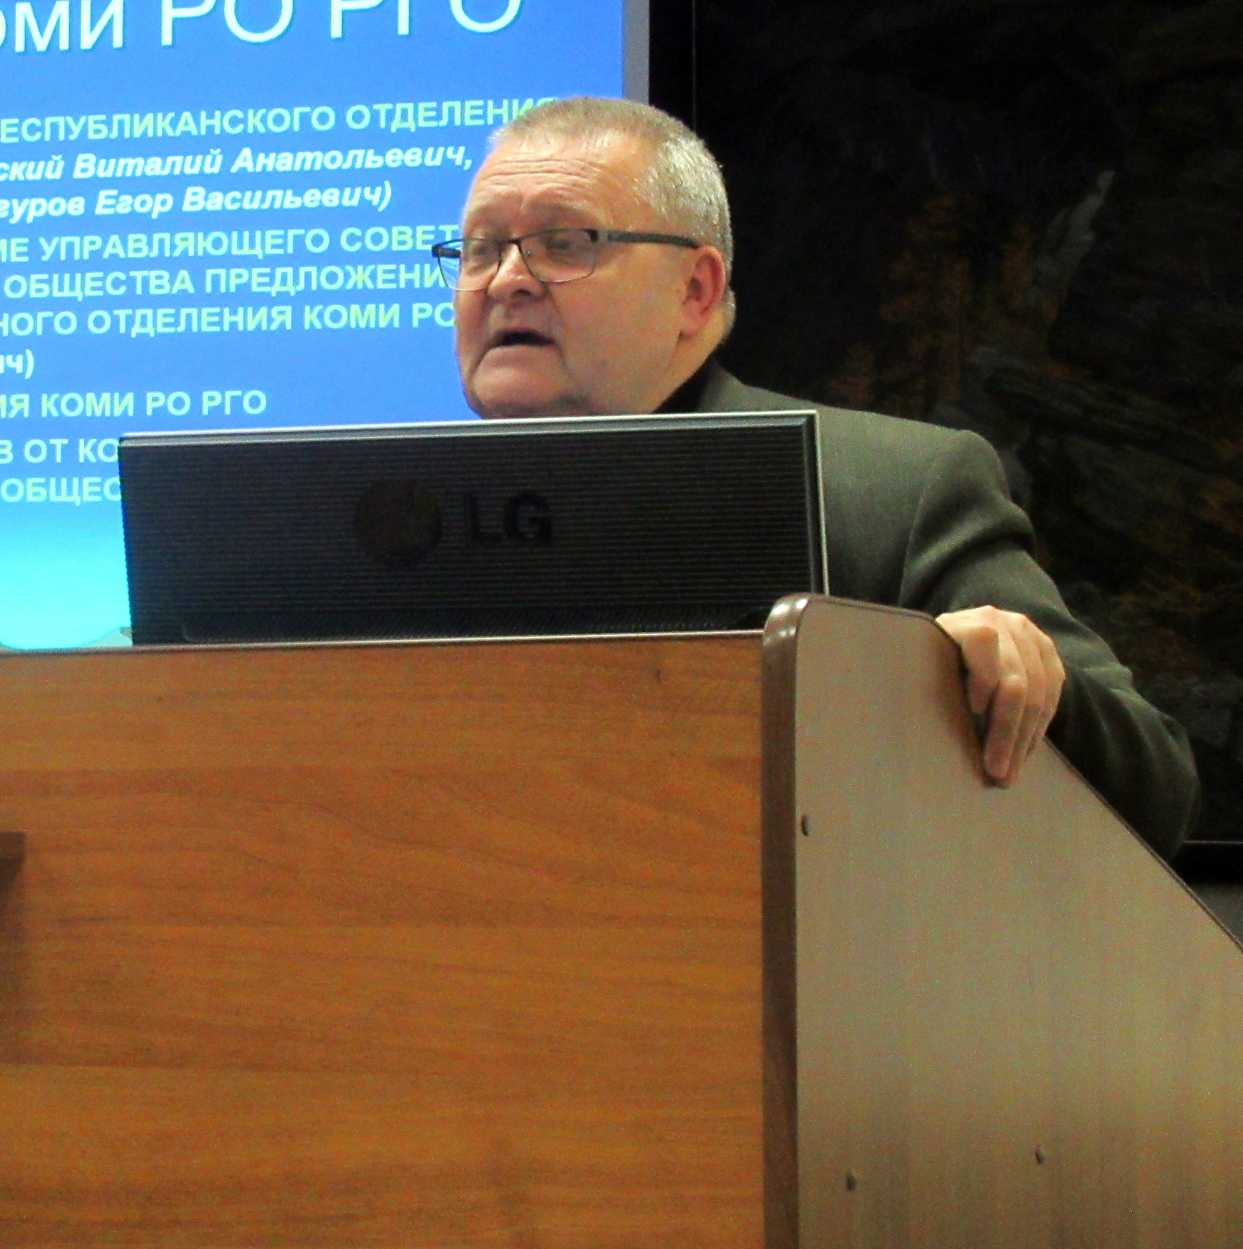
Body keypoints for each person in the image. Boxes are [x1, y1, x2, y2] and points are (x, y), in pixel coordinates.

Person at [446, 96, 1196, 856]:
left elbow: (1158, 794)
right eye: (479, 251)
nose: (506, 281)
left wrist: (1010, 679)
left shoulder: (893, 489)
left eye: (565, 244)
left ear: (695, 290)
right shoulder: (404, 518)